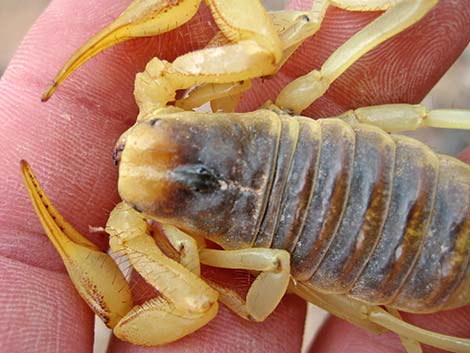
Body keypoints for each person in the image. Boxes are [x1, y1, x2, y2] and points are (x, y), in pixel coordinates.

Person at [0, 0, 469, 352]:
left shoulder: (185, 245)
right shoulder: (201, 108)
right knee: (409, 110)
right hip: (400, 223)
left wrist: (227, 296)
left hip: (374, 255)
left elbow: (182, 305)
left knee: (365, 313)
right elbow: (269, 46)